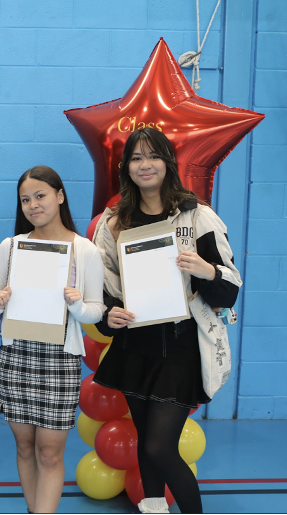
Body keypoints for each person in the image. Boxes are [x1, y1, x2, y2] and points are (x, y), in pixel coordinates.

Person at [91, 127, 242, 514]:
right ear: (126, 167)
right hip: (135, 344)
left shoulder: (197, 215)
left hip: (180, 346)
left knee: (160, 445)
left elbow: (229, 288)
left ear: (168, 163)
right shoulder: (114, 222)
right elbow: (102, 289)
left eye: (153, 156)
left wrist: (205, 269)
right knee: (145, 441)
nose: (145, 165)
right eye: (136, 158)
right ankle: (153, 507)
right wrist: (111, 314)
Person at [0, 166, 105, 513]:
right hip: (17, 355)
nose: (33, 205)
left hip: (60, 359)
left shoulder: (84, 251)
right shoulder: (13, 246)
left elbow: (96, 309)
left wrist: (78, 305)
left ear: (60, 196)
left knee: (49, 451)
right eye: (25, 200)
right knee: (24, 447)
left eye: (40, 196)